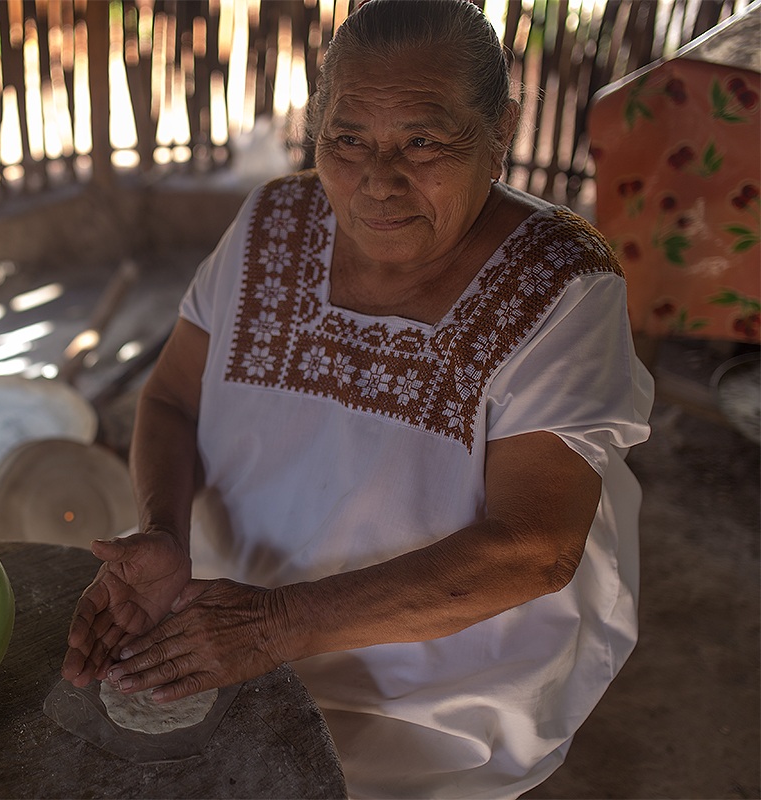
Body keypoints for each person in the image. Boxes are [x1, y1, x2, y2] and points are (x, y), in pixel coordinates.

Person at [62, 0, 654, 797]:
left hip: (434, 685)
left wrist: (280, 625)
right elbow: (171, 401)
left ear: (502, 127)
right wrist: (167, 533)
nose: (378, 181)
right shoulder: (272, 221)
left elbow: (534, 546)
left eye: (423, 140)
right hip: (225, 617)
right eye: (347, 139)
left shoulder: (559, 283)